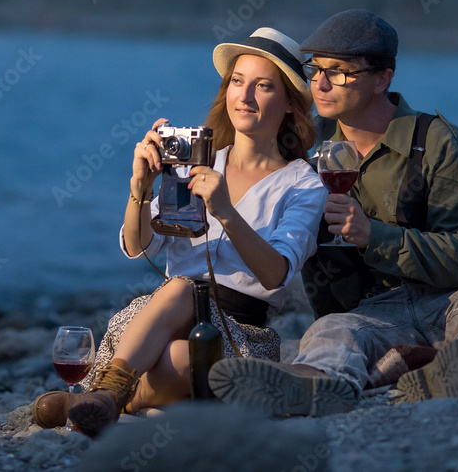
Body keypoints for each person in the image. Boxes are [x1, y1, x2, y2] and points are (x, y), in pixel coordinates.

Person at [208, 9, 458, 415]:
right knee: (329, 330)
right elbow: (249, 154)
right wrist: (177, 177)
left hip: (449, 302)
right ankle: (320, 386)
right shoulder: (306, 148)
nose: (321, 84)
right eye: (316, 71)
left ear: (383, 78)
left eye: (341, 72)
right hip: (374, 315)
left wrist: (374, 235)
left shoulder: (436, 141)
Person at [32, 27, 327, 435]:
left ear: (291, 104)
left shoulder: (303, 184)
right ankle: (107, 395)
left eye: (263, 87)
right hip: (160, 316)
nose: (244, 97)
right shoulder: (193, 164)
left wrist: (225, 211)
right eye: (237, 83)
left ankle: (92, 399)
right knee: (180, 290)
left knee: (186, 355)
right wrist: (139, 190)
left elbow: (276, 273)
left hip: (240, 331)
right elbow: (138, 247)